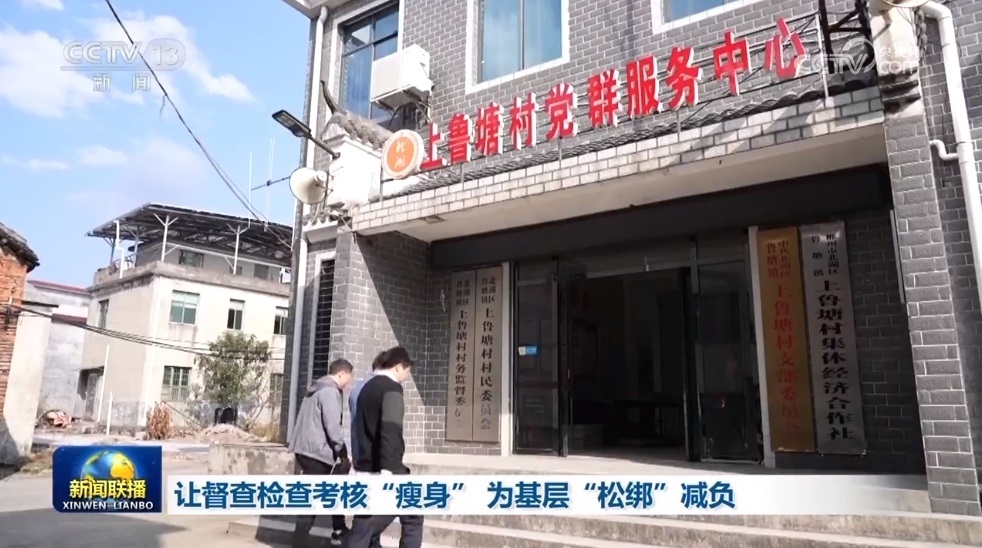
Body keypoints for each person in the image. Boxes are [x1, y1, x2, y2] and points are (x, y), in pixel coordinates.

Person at [346, 346, 423, 548]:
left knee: (364, 522)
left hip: (365, 465)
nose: (406, 376)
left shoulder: (365, 387)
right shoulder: (392, 389)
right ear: (398, 366)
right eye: (407, 370)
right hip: (387, 468)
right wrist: (389, 471)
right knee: (412, 517)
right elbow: (390, 429)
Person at [288, 358, 354, 548]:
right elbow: (332, 426)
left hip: (305, 449)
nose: (348, 383)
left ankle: (339, 528)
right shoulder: (329, 392)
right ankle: (299, 543)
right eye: (348, 378)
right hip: (317, 452)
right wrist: (342, 450)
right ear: (341, 373)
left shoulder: (315, 389)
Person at [347, 350, 388, 548]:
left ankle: (372, 542)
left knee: (365, 507)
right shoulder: (379, 390)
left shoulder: (357, 388)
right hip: (373, 459)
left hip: (359, 455)